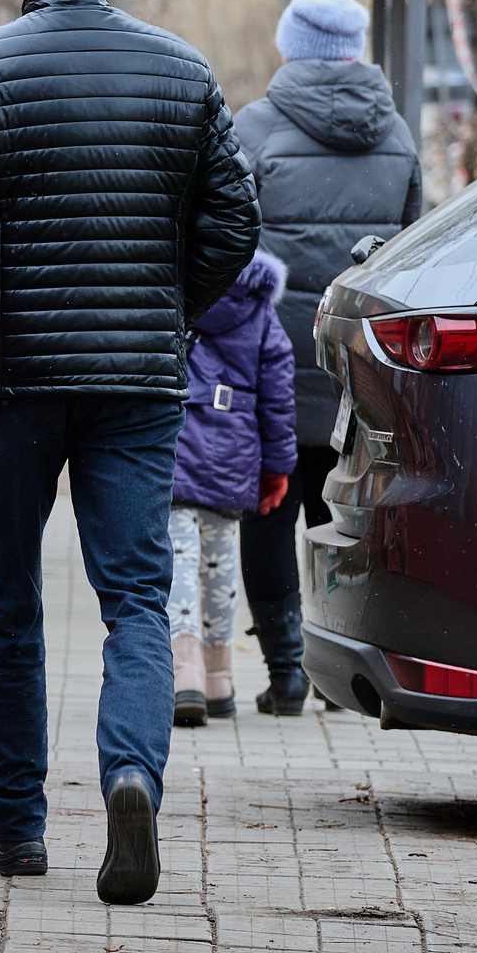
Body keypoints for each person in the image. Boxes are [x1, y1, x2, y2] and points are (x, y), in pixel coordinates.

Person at [0, 0, 258, 905]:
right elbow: (233, 224)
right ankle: (132, 773)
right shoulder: (181, 71)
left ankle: (17, 828)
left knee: (4, 592)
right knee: (134, 593)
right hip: (135, 381)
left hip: (11, 380)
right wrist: (164, 313)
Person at [231, 0, 422, 715]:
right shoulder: (398, 135)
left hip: (269, 358)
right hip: (357, 361)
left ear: (292, 46)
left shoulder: (252, 128)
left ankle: (284, 672)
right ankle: (335, 677)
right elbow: (410, 250)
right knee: (339, 514)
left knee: (269, 509)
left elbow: (229, 244)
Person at [167, 250, 296, 726]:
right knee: (218, 563)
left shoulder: (175, 283)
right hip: (232, 448)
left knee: (177, 559)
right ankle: (220, 679)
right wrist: (279, 465)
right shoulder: (258, 305)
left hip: (175, 437)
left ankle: (186, 674)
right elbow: (278, 388)